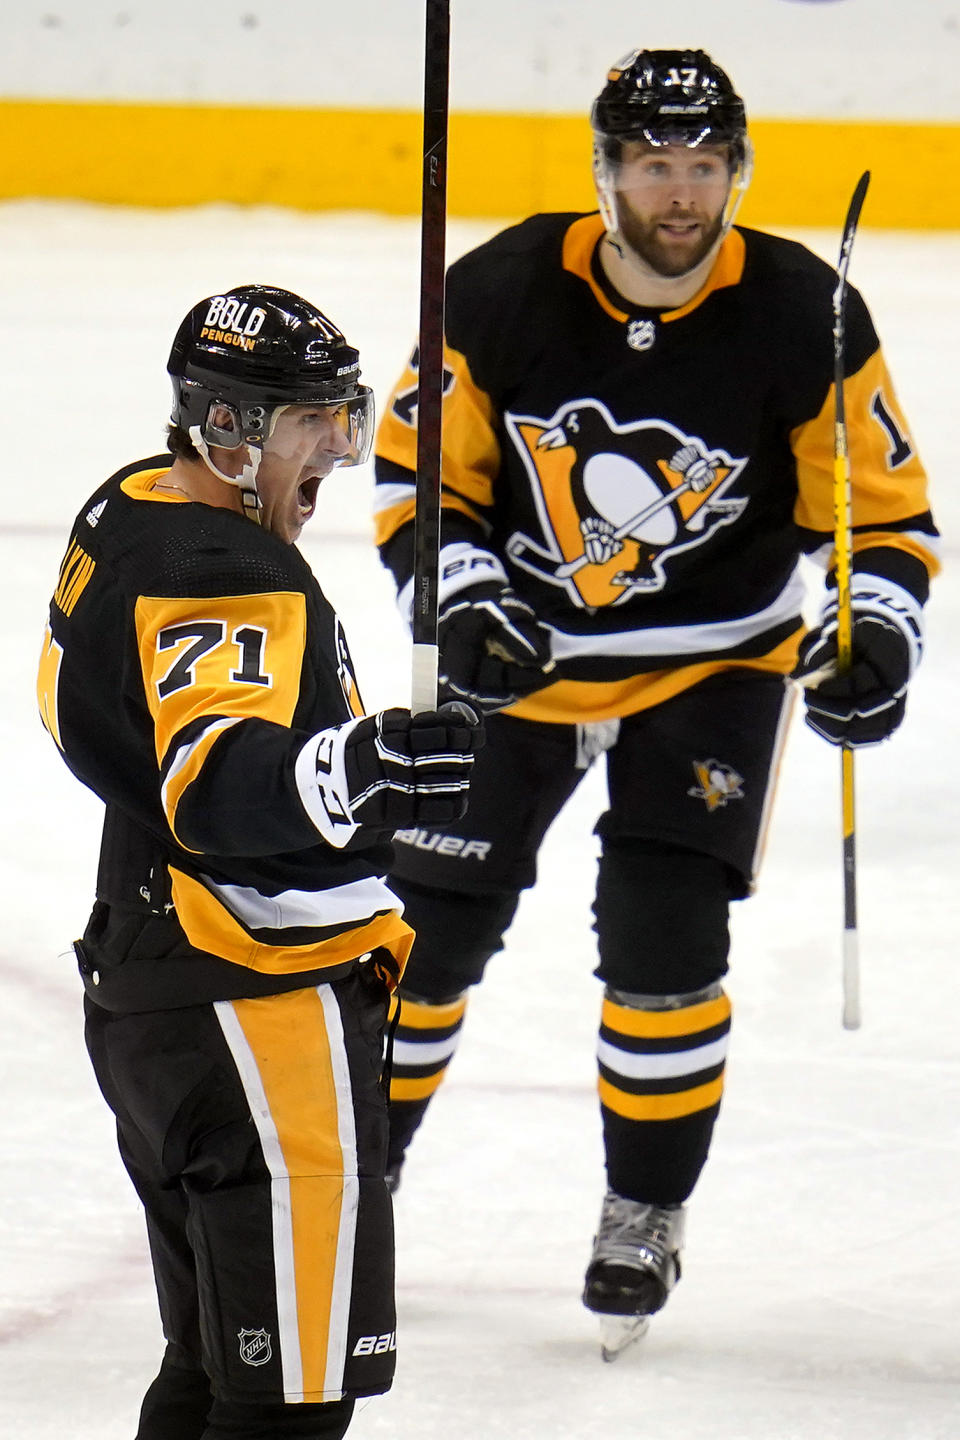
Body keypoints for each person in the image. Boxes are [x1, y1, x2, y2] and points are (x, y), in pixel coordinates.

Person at [371, 49, 939, 1353]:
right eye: (652, 165)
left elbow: (885, 521)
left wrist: (875, 636)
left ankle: (644, 1208)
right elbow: (419, 478)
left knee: (665, 942)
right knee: (433, 930)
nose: (677, 195)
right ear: (606, 172)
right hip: (527, 657)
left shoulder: (804, 311)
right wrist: (464, 596)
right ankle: (358, 1174)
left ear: (736, 172)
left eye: (702, 167)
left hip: (714, 664)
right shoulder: (502, 290)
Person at [36, 283, 482, 1438]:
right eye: (307, 421)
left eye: (341, 412)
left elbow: (100, 724)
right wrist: (353, 772)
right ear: (227, 429)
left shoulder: (125, 507)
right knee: (290, 1402)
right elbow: (215, 774)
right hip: (254, 1011)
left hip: (151, 982)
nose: (339, 443)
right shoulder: (222, 570)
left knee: (211, 1372)